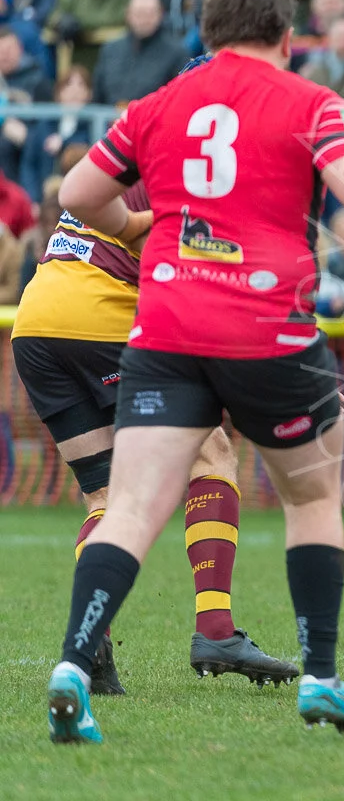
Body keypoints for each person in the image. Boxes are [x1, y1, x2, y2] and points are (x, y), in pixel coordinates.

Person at [43, 0, 344, 744]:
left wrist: (135, 227)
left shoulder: (156, 105)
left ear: (206, 35)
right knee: (313, 499)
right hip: (268, 333)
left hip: (166, 334)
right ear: (287, 38)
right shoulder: (309, 101)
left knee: (128, 510)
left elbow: (77, 195)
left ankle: (72, 669)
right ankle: (320, 677)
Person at [13, 159, 298, 696]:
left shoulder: (134, 150)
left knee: (103, 493)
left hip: (35, 320)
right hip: (102, 315)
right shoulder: (194, 172)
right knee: (210, 451)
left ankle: (92, 641)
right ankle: (215, 630)